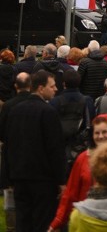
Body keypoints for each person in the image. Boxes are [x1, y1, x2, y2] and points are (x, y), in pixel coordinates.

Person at [1, 70, 66, 232]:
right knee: (42, 223)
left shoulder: (14, 110)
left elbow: (8, 145)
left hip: (19, 177)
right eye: (52, 86)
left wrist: (8, 177)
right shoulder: (48, 112)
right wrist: (61, 181)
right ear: (41, 88)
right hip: (43, 180)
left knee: (22, 222)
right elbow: (55, 149)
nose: (56, 89)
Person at [49, 114, 107, 231]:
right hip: (88, 222)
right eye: (97, 133)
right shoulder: (82, 159)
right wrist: (57, 222)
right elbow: (70, 194)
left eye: (104, 132)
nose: (100, 136)